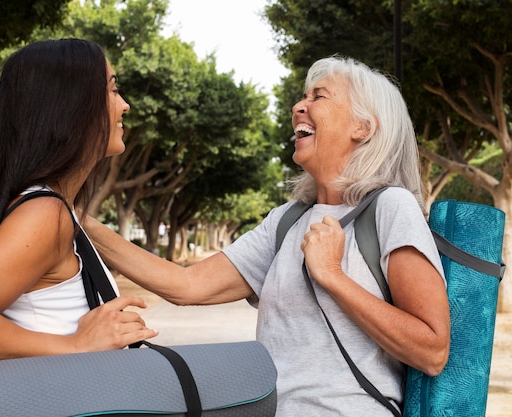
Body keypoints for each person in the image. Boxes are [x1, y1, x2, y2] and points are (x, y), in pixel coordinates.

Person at [81, 56, 450, 416]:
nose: (298, 107)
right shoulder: (286, 221)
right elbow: (187, 285)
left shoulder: (390, 208)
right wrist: (78, 220)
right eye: (302, 97)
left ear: (363, 128)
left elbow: (432, 350)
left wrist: (333, 277)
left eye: (317, 97)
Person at [0, 39, 158, 361]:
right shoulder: (44, 214)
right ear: (71, 105)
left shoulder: (56, 210)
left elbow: (187, 284)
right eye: (113, 90)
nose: (124, 105)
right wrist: (76, 345)